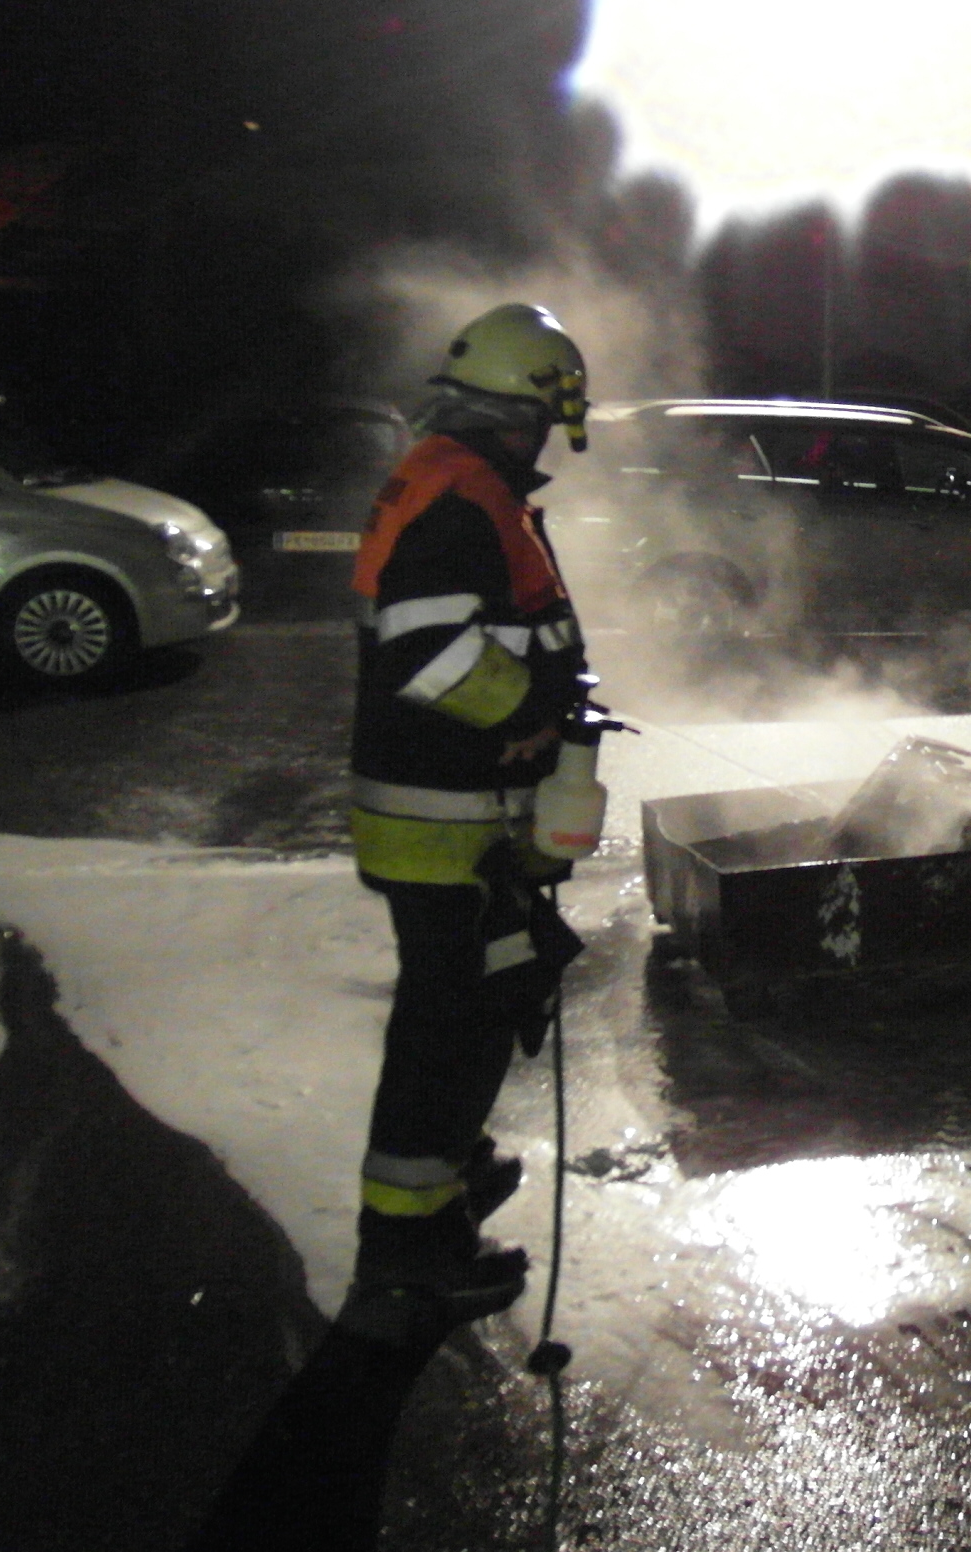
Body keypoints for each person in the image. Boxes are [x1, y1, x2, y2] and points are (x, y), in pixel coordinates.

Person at [343, 302, 593, 1329]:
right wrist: (531, 713)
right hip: (446, 817)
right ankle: (410, 1247)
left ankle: (446, 1165)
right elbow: (428, 653)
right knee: (449, 1030)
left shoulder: (459, 483)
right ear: (526, 413)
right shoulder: (460, 504)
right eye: (548, 419)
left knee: (468, 1006)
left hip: (452, 814)